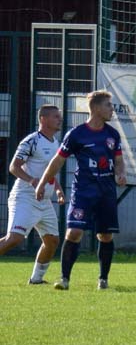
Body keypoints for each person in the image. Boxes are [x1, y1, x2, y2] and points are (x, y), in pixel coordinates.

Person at [34, 90, 124, 290]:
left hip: (106, 191)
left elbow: (118, 160)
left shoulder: (113, 134)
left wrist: (120, 173)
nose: (112, 110)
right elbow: (57, 161)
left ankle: (103, 280)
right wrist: (42, 183)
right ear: (97, 108)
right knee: (74, 232)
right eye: (108, 105)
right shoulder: (76, 134)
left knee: (105, 235)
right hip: (83, 191)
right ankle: (64, 279)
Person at [3, 105, 64, 285]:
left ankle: (36, 279)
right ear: (43, 119)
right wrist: (32, 181)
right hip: (25, 197)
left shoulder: (56, 143)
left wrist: (58, 189)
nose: (60, 119)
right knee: (14, 239)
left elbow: (49, 172)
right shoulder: (31, 141)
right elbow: (13, 167)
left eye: (59, 116)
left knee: (52, 241)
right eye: (55, 116)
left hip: (44, 201)